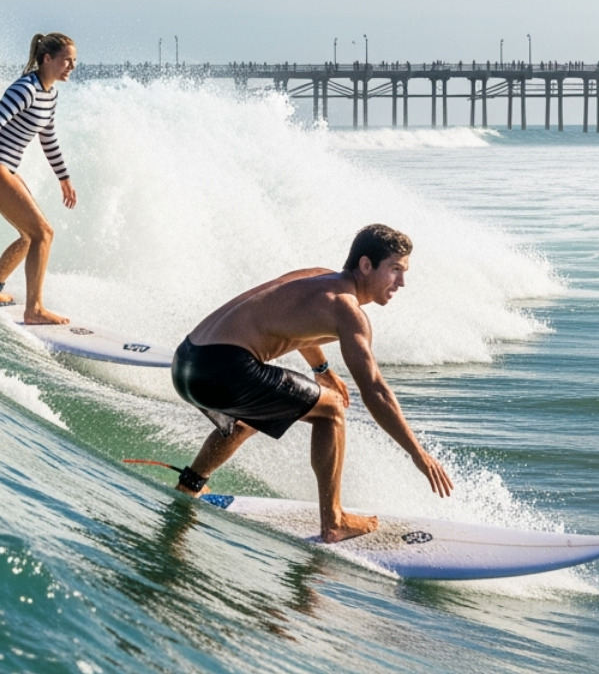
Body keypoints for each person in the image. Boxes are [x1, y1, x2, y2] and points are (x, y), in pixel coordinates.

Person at [170, 224, 453, 542]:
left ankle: (190, 484)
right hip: (224, 369)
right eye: (395, 270)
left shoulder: (315, 278)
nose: (401, 282)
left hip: (187, 364)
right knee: (330, 410)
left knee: (250, 417)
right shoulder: (348, 311)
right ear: (365, 265)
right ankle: (334, 522)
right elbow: (374, 389)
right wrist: (418, 453)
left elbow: (290, 319)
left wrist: (321, 368)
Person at [0, 32, 79, 325]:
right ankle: (35, 309)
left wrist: (63, 178)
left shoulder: (50, 94)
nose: (72, 66)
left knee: (31, 236)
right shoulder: (25, 89)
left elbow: (49, 139)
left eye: (74, 61)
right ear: (47, 59)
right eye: (66, 60)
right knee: (44, 233)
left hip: (3, 169)